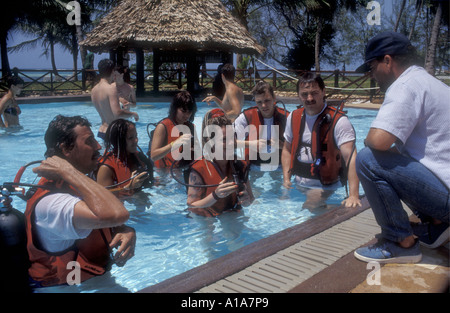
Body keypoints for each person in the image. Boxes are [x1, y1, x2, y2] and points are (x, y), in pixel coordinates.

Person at [353, 31, 450, 264]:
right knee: (404, 153)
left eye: (371, 66)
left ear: (388, 61)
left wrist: (373, 142)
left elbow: (378, 141)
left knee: (368, 159)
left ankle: (400, 242)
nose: (371, 74)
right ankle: (438, 225)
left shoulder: (405, 84)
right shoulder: (432, 83)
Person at [25, 115, 136, 287]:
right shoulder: (53, 202)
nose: (98, 146)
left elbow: (113, 220)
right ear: (66, 149)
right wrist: (68, 170)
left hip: (89, 280)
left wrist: (126, 230)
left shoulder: (75, 186)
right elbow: (118, 214)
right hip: (61, 288)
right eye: (90, 141)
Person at [281, 72, 361, 210]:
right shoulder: (293, 117)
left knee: (310, 207)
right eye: (304, 94)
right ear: (298, 95)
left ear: (324, 92)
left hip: (324, 185)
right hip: (298, 183)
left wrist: (354, 195)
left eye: (314, 93)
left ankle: (336, 210)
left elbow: (351, 158)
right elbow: (287, 149)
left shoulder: (339, 121)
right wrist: (286, 179)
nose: (310, 98)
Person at [187, 108, 254, 217]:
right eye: (224, 139)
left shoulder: (240, 165)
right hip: (205, 217)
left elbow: (250, 199)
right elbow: (192, 205)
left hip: (231, 212)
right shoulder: (200, 168)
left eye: (233, 137)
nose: (231, 143)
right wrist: (215, 195)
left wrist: (246, 200)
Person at [234, 81, 289, 170]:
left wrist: (283, 145)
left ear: (274, 98)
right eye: (259, 102)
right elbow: (227, 142)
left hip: (279, 166)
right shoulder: (246, 116)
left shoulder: (286, 117)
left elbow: (299, 147)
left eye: (267, 100)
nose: (264, 105)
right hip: (253, 166)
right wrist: (251, 144)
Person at [95, 119, 153, 198]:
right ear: (118, 141)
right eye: (130, 138)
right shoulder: (106, 168)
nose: (136, 140)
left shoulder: (140, 157)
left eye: (136, 136)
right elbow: (103, 198)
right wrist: (128, 187)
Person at [91, 59, 139, 140]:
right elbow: (118, 113)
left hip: (102, 131)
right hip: (112, 131)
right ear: (112, 71)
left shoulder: (94, 90)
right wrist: (134, 114)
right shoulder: (110, 88)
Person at [150, 90, 198, 169]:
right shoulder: (163, 126)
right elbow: (154, 156)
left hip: (182, 169)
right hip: (164, 171)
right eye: (183, 111)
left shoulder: (191, 126)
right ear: (175, 109)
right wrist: (174, 144)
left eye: (189, 112)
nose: (186, 115)